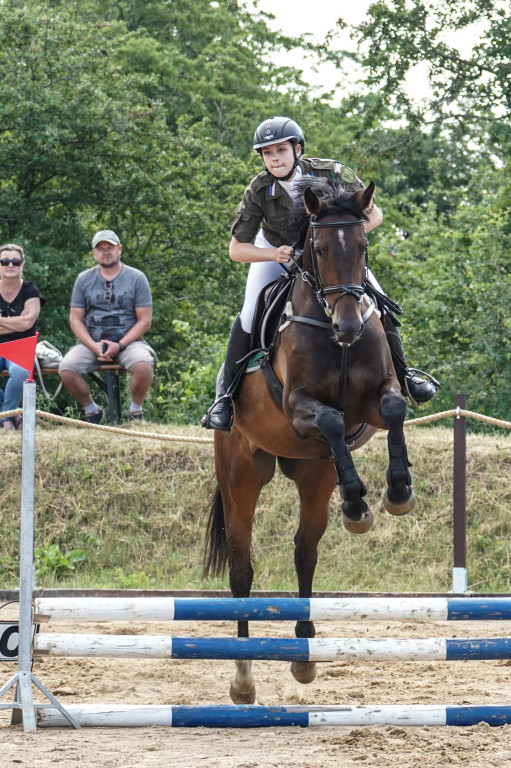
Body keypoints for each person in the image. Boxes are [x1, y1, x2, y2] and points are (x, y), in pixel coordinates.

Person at [202, 116, 438, 432]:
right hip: (278, 253)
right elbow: (236, 250)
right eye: (267, 153)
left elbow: (375, 214)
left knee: (380, 304)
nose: (274, 159)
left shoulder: (330, 172)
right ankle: (225, 397)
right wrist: (274, 254)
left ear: (297, 149)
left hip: (331, 256)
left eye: (280, 150)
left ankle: (405, 375)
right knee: (248, 313)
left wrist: (343, 244)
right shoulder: (259, 190)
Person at [59, 229, 156, 423]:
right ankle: (91, 410)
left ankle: (135, 411)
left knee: (144, 365)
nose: (106, 252)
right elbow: (75, 319)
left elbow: (145, 320)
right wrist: (93, 346)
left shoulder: (137, 277)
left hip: (128, 342)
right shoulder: (83, 279)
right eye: (100, 248)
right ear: (94, 253)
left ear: (119, 249)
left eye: (110, 247)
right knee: (66, 368)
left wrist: (119, 345)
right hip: (92, 342)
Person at [0, 243, 44, 430]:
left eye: (16, 262)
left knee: (20, 372)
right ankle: (12, 413)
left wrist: (2, 320)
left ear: (22, 266)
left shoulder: (30, 290)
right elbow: (23, 322)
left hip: (22, 346)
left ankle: (5, 416)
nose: (10, 265)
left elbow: (28, 323)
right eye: (5, 261)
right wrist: (18, 322)